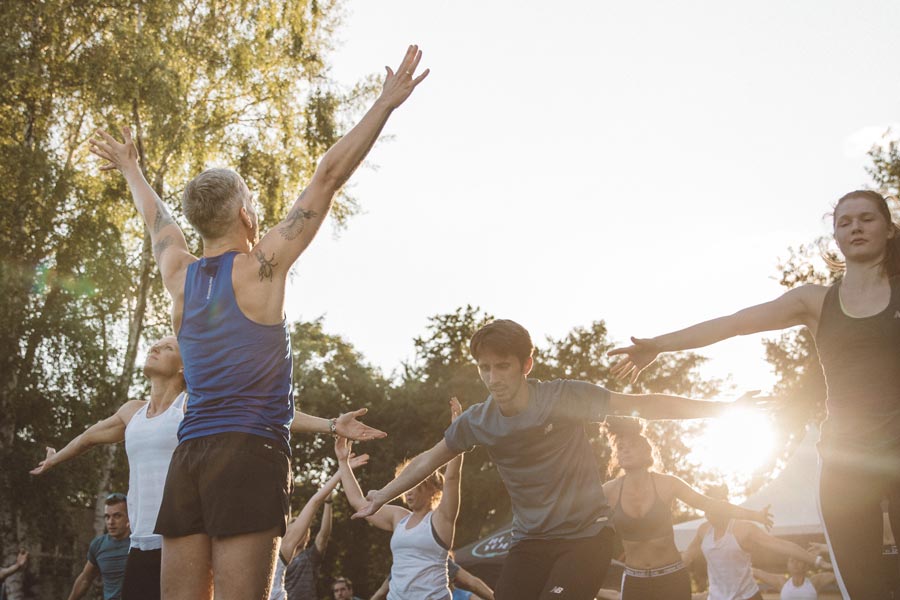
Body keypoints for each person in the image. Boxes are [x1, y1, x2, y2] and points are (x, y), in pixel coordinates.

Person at [88, 44, 425, 599]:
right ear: (246, 212)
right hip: (248, 453)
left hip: (188, 457)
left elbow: (157, 219)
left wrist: (130, 166)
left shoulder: (179, 273)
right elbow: (328, 176)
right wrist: (384, 104)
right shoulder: (262, 269)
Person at [609, 190, 900, 598]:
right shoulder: (816, 301)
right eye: (844, 221)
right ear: (835, 236)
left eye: (867, 218)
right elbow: (735, 323)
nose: (855, 227)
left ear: (888, 229)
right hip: (845, 465)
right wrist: (659, 343)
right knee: (866, 589)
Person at [353, 319, 761, 600]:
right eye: (485, 369)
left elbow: (645, 404)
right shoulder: (479, 421)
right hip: (530, 542)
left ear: (526, 365)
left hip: (586, 537)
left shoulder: (565, 398)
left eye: (503, 367)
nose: (494, 379)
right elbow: (429, 459)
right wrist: (380, 496)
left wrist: (723, 409)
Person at [31, 336, 377, 600]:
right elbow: (88, 438)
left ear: (183, 367)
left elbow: (262, 412)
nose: (155, 347)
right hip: (140, 545)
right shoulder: (130, 412)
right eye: (155, 344)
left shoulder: (194, 403)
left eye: (166, 347)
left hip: (184, 542)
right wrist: (55, 457)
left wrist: (332, 425)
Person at [603, 416, 772, 599]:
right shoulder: (608, 492)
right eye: (620, 447)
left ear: (646, 452)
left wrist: (755, 515)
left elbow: (712, 505)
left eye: (632, 445)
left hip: (671, 579)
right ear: (616, 456)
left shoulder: (668, 485)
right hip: (635, 582)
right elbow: (578, 519)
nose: (625, 450)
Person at [338, 398, 464, 600]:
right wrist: (343, 461)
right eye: (405, 487)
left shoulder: (441, 519)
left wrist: (458, 433)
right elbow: (358, 503)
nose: (408, 492)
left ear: (432, 489)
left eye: (414, 486)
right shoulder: (399, 517)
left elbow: (452, 477)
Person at [681, 487, 828, 600]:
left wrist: (817, 561)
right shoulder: (703, 530)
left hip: (747, 597)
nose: (709, 514)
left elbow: (781, 545)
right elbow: (686, 558)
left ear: (725, 506)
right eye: (706, 509)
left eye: (714, 508)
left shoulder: (744, 529)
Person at [269, 453, 369, 600]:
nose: (298, 530)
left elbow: (318, 511)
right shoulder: (268, 555)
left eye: (301, 528)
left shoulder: (306, 557)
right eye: (293, 526)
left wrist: (342, 470)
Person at [68, 494, 131, 600]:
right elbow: (85, 580)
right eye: (107, 517)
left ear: (129, 517)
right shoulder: (98, 545)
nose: (111, 522)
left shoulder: (139, 544)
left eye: (117, 516)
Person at [753, 558, 836, 599]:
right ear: (788, 565)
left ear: (805, 565)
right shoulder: (781, 582)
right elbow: (755, 571)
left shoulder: (815, 581)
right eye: (792, 561)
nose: (795, 563)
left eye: (799, 560)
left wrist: (823, 554)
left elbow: (839, 573)